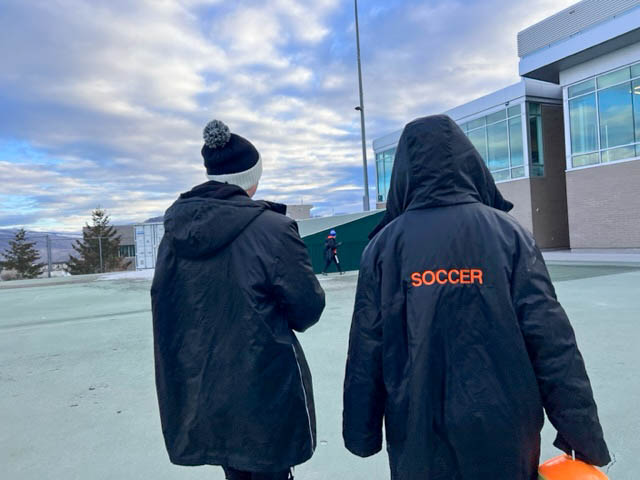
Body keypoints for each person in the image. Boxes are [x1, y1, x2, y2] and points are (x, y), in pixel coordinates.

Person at [342, 115, 610, 480]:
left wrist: (362, 431)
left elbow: (366, 347)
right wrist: (582, 434)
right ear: (469, 163)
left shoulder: (383, 248)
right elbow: (552, 342)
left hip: (417, 430)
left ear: (403, 172)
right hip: (506, 431)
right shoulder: (510, 236)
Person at [152, 120, 325, 480]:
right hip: (263, 385)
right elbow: (307, 308)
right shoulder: (273, 229)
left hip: (204, 386)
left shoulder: (174, 233)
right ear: (251, 178)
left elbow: (169, 306)